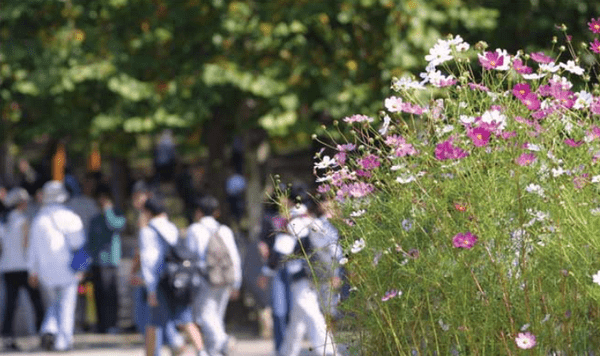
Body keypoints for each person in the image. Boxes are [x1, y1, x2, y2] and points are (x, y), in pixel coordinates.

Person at [265, 184, 337, 356]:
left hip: (301, 274)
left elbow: (282, 248)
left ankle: (327, 351)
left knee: (311, 313)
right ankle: (286, 352)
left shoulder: (295, 221)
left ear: (290, 201)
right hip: (319, 272)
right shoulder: (314, 220)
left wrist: (267, 271)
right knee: (298, 318)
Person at [139, 196, 208, 356]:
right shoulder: (172, 227)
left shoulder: (148, 231)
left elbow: (149, 261)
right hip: (179, 280)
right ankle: (202, 351)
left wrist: (150, 289)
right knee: (186, 318)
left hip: (162, 281)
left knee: (153, 323)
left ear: (148, 212)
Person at [128, 181, 187, 354]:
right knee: (159, 315)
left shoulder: (146, 222)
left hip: (153, 276)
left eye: (139, 197)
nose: (136, 200)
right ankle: (171, 343)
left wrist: (136, 273)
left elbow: (145, 255)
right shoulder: (168, 224)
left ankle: (161, 348)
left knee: (149, 318)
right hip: (168, 275)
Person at [27, 181, 85, 352]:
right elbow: (78, 243)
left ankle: (49, 329)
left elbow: (32, 249)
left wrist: (33, 271)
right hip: (68, 269)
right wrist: (81, 267)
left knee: (53, 304)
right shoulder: (71, 218)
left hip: (45, 270)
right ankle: (63, 342)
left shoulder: (39, 220)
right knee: (66, 305)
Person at [187, 196, 242, 356]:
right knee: (217, 316)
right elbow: (234, 257)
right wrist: (236, 283)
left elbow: (191, 257)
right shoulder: (224, 230)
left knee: (204, 316)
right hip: (226, 278)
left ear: (198, 212)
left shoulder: (195, 230)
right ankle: (216, 351)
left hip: (205, 279)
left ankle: (223, 341)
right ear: (216, 212)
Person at [0, 188, 45, 351]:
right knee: (36, 302)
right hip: (24, 268)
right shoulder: (24, 221)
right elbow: (27, 246)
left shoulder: (4, 222)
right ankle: (44, 333)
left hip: (7, 268)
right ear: (20, 204)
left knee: (10, 305)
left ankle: (7, 338)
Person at [87, 183, 126, 334]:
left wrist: (109, 211)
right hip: (97, 262)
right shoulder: (95, 219)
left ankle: (112, 323)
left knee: (111, 294)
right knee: (98, 295)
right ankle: (101, 324)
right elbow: (90, 242)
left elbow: (116, 226)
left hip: (111, 261)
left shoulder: (116, 214)